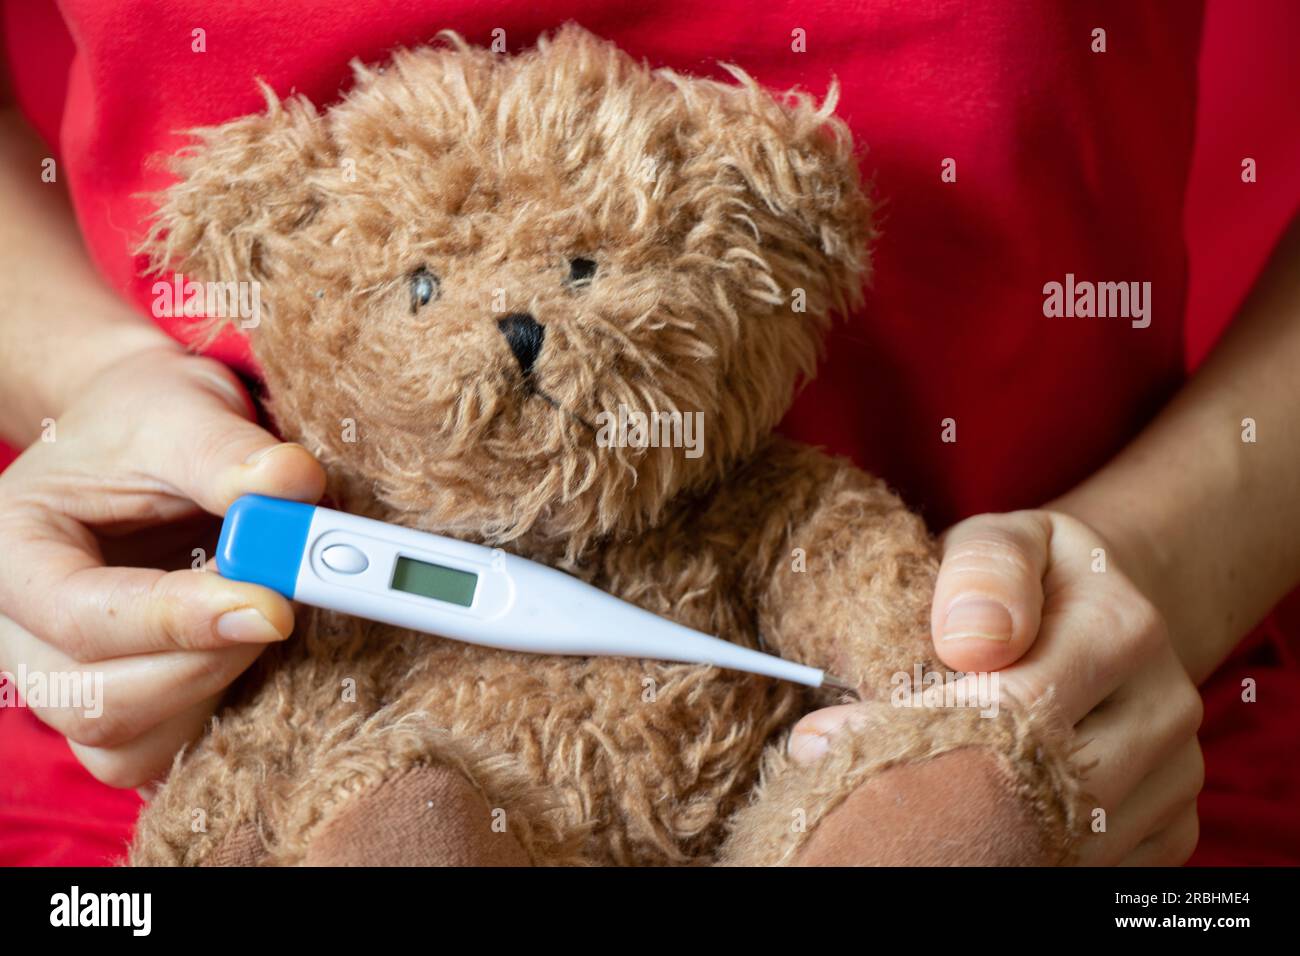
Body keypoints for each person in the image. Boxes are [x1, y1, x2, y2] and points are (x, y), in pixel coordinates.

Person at [1, 0, 1297, 866]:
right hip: (174, 724)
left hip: (1100, 736)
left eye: (574, 277)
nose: (518, 329)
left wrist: (1157, 564)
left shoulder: (789, 522)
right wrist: (89, 372)